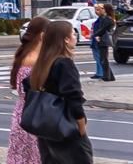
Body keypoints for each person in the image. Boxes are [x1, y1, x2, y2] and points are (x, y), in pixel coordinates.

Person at [26, 20, 92, 164]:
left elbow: (27, 85)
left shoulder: (42, 62)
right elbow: (73, 96)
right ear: (66, 40)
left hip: (45, 126)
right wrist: (81, 124)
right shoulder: (64, 63)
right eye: (73, 34)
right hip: (65, 124)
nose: (76, 37)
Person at [6, 18, 48, 164]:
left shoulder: (25, 53)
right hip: (33, 115)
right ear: (43, 35)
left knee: (21, 157)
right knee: (33, 158)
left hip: (22, 113)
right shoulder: (34, 59)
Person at [87, 4, 115, 82]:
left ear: (106, 9)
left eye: (102, 8)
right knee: (103, 59)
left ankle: (107, 76)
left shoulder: (107, 19)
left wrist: (94, 35)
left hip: (103, 40)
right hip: (102, 40)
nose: (101, 10)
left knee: (103, 59)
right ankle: (110, 76)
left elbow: (102, 29)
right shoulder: (106, 18)